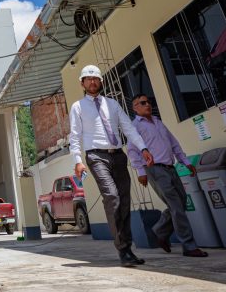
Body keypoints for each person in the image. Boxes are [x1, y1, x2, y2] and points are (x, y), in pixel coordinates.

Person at [69, 65, 154, 267]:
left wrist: (143, 148)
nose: (92, 82)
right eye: (88, 79)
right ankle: (122, 250)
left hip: (118, 156)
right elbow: (74, 135)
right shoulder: (78, 106)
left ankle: (128, 249)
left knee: (124, 202)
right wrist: (78, 161)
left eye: (95, 78)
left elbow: (129, 128)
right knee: (112, 197)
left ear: (101, 82)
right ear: (82, 83)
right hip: (96, 157)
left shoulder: (113, 104)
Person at [128, 94, 208, 258]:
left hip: (171, 168)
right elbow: (132, 151)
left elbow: (174, 143)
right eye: (142, 103)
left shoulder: (157, 122)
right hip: (155, 170)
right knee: (176, 206)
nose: (147, 105)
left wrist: (185, 162)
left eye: (148, 102)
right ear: (135, 107)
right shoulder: (135, 126)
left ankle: (159, 231)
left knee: (181, 202)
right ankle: (189, 245)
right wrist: (141, 172)